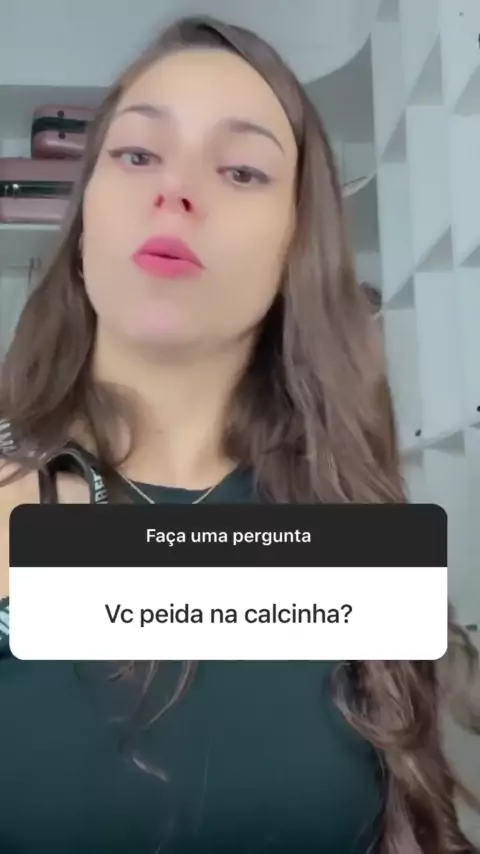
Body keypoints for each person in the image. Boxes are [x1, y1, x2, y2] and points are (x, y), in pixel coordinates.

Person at [0, 14, 478, 854]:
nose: (176, 188)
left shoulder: (356, 536)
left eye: (242, 170)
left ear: (298, 249)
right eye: (137, 154)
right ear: (83, 223)